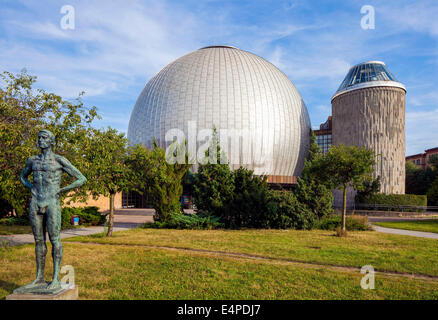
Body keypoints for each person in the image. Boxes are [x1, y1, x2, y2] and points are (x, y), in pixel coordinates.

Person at [18, 129, 86, 292]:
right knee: (38, 241)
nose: (40, 140)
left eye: (44, 137)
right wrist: (31, 187)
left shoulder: (59, 160)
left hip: (52, 202)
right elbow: (22, 177)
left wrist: (62, 190)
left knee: (55, 240)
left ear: (51, 142)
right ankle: (39, 277)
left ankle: (55, 278)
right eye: (39, 137)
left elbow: (81, 178)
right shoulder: (32, 160)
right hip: (36, 201)